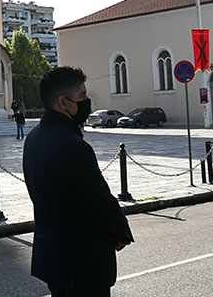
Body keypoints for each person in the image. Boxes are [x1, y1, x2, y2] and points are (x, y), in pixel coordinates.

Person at [23, 67, 133, 297]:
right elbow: (98, 198)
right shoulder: (72, 145)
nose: (86, 101)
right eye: (82, 96)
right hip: (83, 261)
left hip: (54, 256)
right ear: (63, 102)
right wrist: (121, 233)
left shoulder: (34, 138)